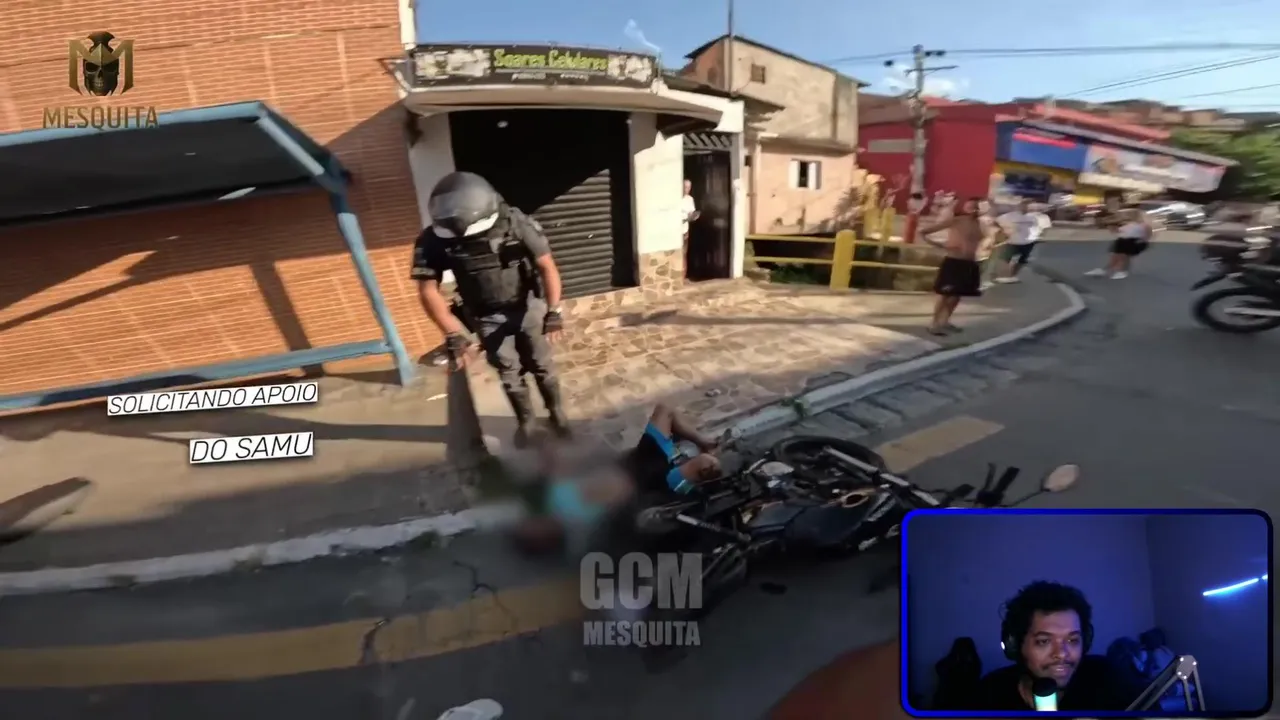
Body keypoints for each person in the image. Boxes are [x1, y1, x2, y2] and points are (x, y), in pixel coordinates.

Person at [411, 171, 570, 448]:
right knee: (508, 372)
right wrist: (452, 333)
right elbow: (427, 289)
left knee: (542, 365)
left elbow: (546, 266)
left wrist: (554, 311)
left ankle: (557, 415)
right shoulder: (434, 239)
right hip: (485, 317)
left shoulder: (515, 223)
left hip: (527, 308)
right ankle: (527, 423)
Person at [971, 581, 1133, 711]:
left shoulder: (1106, 679)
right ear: (1014, 645)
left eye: (1072, 640)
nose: (1062, 654)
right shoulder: (988, 697)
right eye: (1044, 641)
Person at [918, 196, 992, 336]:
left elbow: (988, 241)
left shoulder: (983, 225)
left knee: (957, 295)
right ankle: (934, 323)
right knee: (944, 294)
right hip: (953, 261)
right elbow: (924, 232)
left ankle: (945, 321)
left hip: (970, 263)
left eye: (977, 207)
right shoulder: (957, 220)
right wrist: (941, 245)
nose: (974, 209)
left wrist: (985, 249)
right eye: (971, 206)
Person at [1084, 206, 1152, 280]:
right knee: (1116, 257)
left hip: (1134, 241)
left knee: (1123, 257)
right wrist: (1110, 226)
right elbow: (1117, 232)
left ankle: (1121, 272)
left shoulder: (1142, 224)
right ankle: (1105, 270)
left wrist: (1143, 240)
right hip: (1122, 240)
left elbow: (1148, 232)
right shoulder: (1125, 223)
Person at [994, 198, 1052, 284]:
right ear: (1020, 206)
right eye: (1025, 206)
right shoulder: (1010, 216)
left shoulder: (1040, 217)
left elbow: (1046, 228)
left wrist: (1041, 236)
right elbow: (996, 222)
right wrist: (1003, 231)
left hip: (1030, 242)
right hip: (1012, 241)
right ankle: (1002, 275)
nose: (1027, 208)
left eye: (1030, 206)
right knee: (1005, 258)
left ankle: (1013, 276)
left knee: (1023, 260)